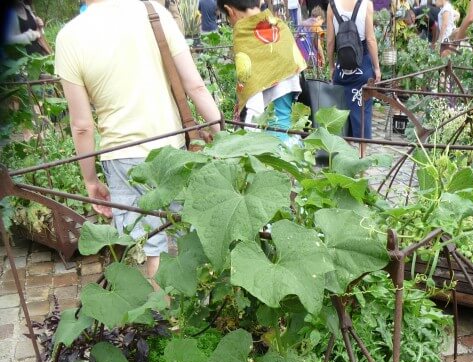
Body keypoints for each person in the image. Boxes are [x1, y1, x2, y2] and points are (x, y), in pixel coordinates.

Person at [55, 0, 221, 279]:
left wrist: (91, 181)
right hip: (172, 149)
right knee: (188, 235)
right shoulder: (154, 12)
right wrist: (222, 138)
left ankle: (166, 317)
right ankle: (196, 312)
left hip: (122, 156)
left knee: (151, 247)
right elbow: (196, 86)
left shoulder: (69, 37)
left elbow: (82, 125)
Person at [217, 0, 306, 138]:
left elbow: (254, 102)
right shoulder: (281, 28)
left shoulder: (244, 37)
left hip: (267, 143)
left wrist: (249, 143)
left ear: (230, 11)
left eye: (229, 20)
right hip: (292, 135)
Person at [327, 0, 380, 140]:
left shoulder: (332, 6)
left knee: (340, 115)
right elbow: (370, 39)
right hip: (363, 66)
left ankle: (342, 154)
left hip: (342, 68)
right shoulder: (366, 4)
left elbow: (330, 41)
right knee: (363, 114)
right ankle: (361, 155)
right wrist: (377, 67)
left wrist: (331, 66)